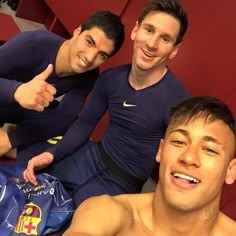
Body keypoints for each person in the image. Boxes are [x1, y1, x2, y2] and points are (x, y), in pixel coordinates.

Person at [23, 0, 190, 207]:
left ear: (174, 50)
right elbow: (85, 124)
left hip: (123, 183)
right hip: (90, 156)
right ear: (136, 30)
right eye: (149, 30)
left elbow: (179, 167)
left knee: (77, 224)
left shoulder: (180, 103)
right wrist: (52, 154)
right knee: (26, 173)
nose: (152, 44)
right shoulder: (110, 79)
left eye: (165, 38)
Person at [63, 96, 236, 236]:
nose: (189, 157)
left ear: (230, 170)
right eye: (178, 141)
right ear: (160, 151)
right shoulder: (107, 212)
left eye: (209, 150)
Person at [0, 10, 125, 157]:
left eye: (102, 55)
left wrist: (12, 139)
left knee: (68, 122)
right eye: (89, 42)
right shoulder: (32, 43)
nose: (90, 58)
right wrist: (17, 90)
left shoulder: (89, 75)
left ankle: (10, 138)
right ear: (77, 32)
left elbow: (64, 117)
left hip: (20, 109)